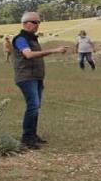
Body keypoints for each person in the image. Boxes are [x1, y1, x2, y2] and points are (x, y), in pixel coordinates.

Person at [11, 12, 67, 149]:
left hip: (36, 77)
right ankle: (27, 138)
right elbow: (28, 55)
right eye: (35, 22)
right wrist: (54, 50)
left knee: (35, 106)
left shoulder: (32, 39)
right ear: (26, 23)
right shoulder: (20, 38)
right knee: (33, 106)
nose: (38, 25)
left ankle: (32, 135)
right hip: (26, 77)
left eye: (39, 22)